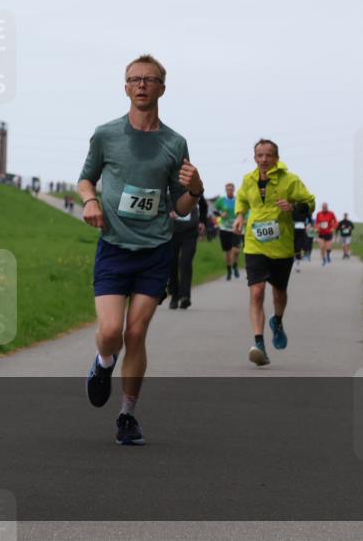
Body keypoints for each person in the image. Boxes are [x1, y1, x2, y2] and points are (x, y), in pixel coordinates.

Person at [79, 54, 204, 445]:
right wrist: (90, 201)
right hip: (114, 246)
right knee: (111, 331)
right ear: (126, 87)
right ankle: (102, 364)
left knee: (136, 333)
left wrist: (195, 189)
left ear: (162, 88)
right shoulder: (106, 135)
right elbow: (86, 179)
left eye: (150, 79)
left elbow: (179, 206)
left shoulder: (174, 142)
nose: (142, 85)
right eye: (135, 79)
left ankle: (127, 416)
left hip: (155, 249)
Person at [233, 139, 315, 366]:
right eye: (259, 155)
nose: (264, 160)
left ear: (276, 158)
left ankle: (277, 321)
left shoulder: (290, 180)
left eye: (268, 155)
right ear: (255, 158)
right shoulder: (248, 180)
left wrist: (294, 207)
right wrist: (240, 216)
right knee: (257, 292)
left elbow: (310, 202)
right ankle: (258, 343)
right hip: (254, 244)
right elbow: (241, 199)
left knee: (279, 292)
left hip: (281, 246)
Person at [166, 197, 205, 309]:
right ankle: (174, 295)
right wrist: (168, 212)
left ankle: (185, 297)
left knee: (185, 262)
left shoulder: (193, 186)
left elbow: (203, 205)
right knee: (172, 263)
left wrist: (202, 221)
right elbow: (162, 201)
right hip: (172, 231)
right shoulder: (168, 187)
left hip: (190, 232)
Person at [213, 184, 241, 280]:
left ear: (234, 190)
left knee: (236, 250)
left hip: (236, 228)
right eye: (228, 189)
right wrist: (221, 214)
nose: (230, 191)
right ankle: (229, 271)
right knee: (227, 251)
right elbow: (214, 211)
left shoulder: (238, 200)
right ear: (225, 190)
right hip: (224, 228)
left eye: (231, 189)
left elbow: (243, 211)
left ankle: (235, 265)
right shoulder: (221, 200)